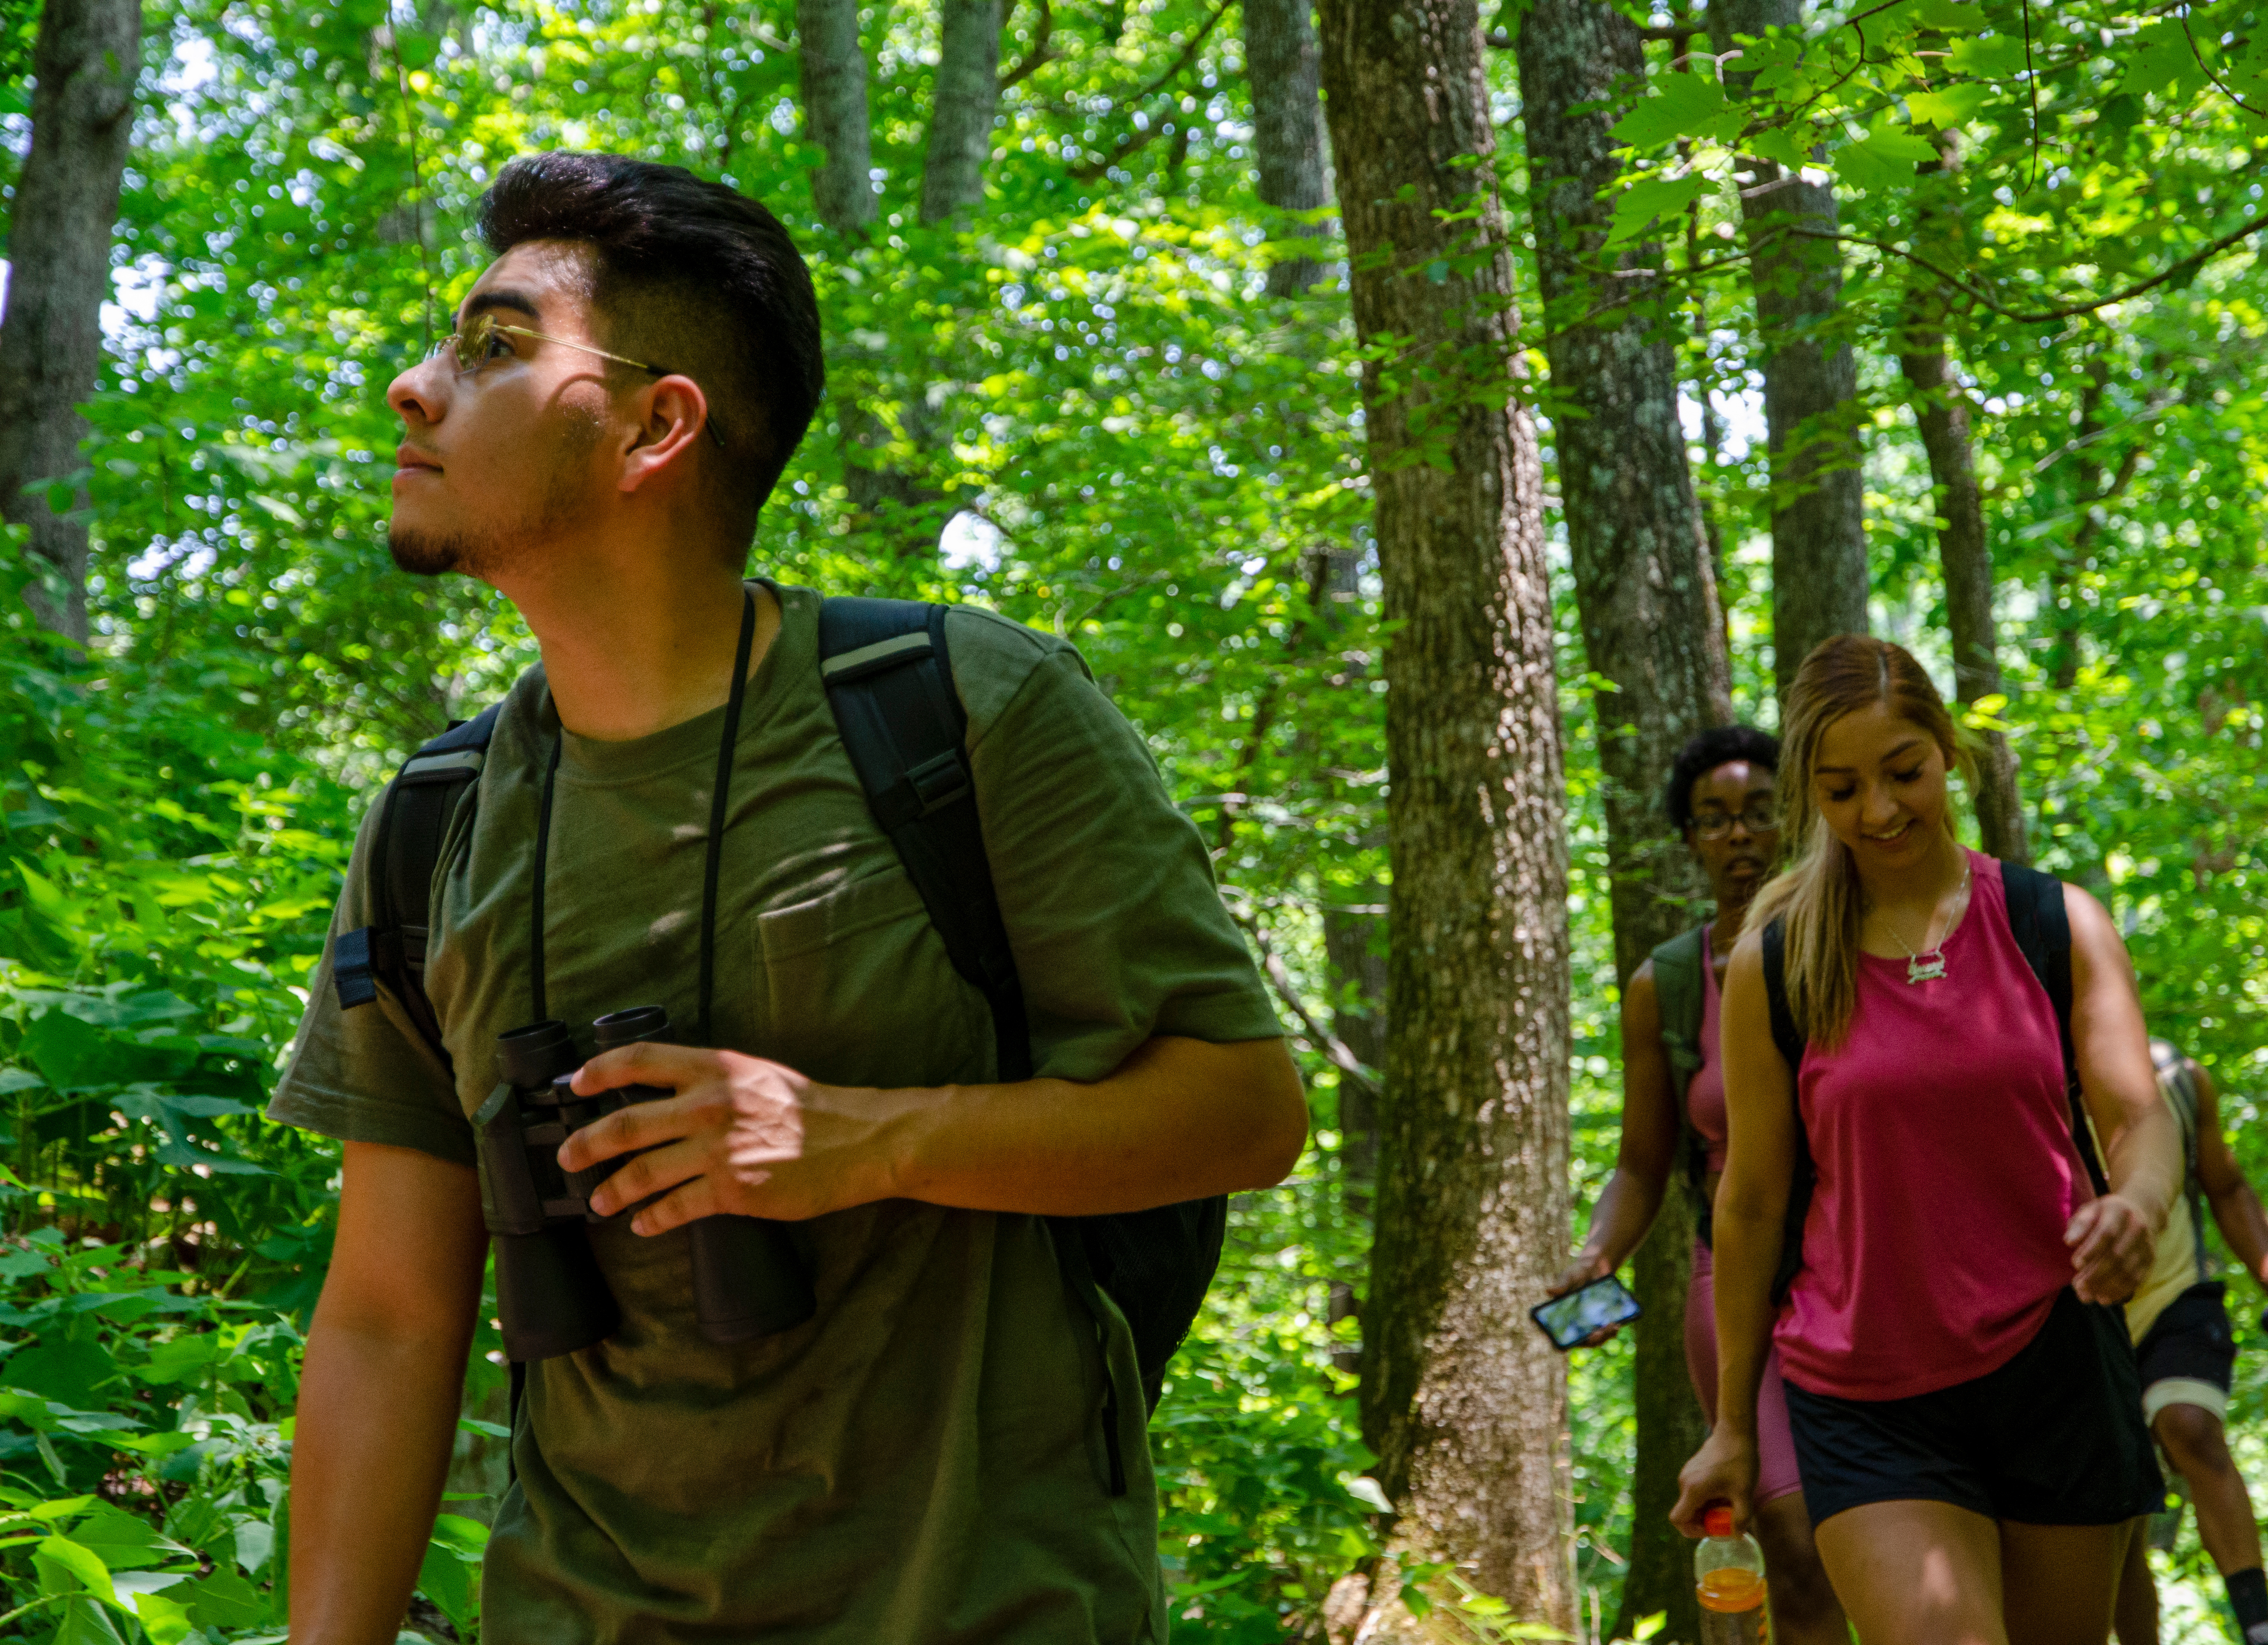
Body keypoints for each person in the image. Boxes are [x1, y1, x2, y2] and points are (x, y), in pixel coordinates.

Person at [271, 152, 1308, 1643]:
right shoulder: (436, 823)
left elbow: (1243, 1111)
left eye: (494, 347)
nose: (412, 387)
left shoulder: (965, 714)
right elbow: (387, 1311)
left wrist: (858, 1140)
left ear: (654, 424)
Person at [1671, 635, 2183, 1645]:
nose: (1879, 811)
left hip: (2053, 1368)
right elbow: (1753, 1201)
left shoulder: (2055, 923)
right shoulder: (1773, 966)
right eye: (1840, 789)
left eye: (1902, 772)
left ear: (1945, 749)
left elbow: (2137, 1117)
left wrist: (2137, 1201)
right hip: (1863, 1392)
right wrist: (1733, 1423)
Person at [1547, 726, 1847, 1642]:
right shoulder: (1665, 986)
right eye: (1713, 819)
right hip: (1736, 1288)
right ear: (1689, 838)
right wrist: (1596, 1250)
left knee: (1883, 1531)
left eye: (1757, 812)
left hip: (1860, 1273)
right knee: (1794, 1543)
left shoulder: (1845, 951)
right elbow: (1641, 1163)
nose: (1738, 836)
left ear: (1789, 820)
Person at [2111, 1042, 2268, 1645]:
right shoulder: (2025, 1079)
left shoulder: (2177, 1079)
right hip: (2080, 1318)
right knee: (2114, 1512)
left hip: (2176, 1296)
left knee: (2188, 1424)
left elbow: (2224, 1189)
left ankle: (2258, 1628)